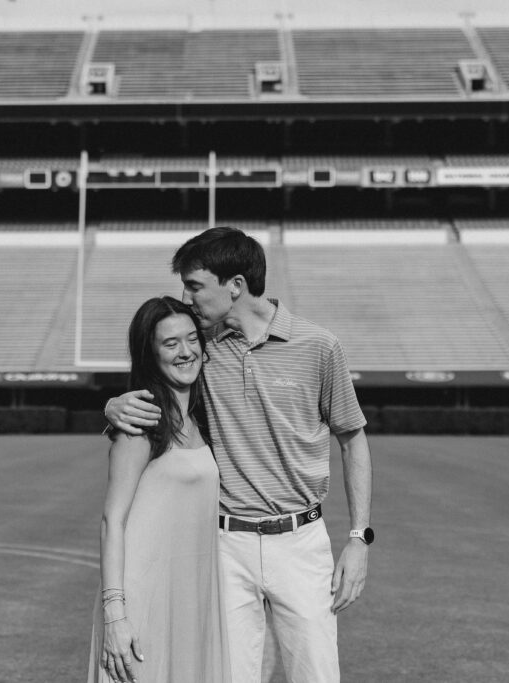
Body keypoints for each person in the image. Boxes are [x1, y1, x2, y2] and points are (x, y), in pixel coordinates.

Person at [106, 227, 373, 683]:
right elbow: (159, 382)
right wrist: (112, 405)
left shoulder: (319, 345)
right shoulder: (201, 347)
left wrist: (358, 538)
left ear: (235, 285)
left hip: (301, 543)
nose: (187, 298)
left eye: (195, 285)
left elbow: (353, 440)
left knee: (317, 676)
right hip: (224, 546)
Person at [87, 296, 231, 683]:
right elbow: (112, 521)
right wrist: (115, 614)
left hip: (191, 594)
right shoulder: (140, 423)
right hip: (142, 596)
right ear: (150, 354)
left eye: (192, 339)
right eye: (170, 343)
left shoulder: (203, 419)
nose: (186, 351)